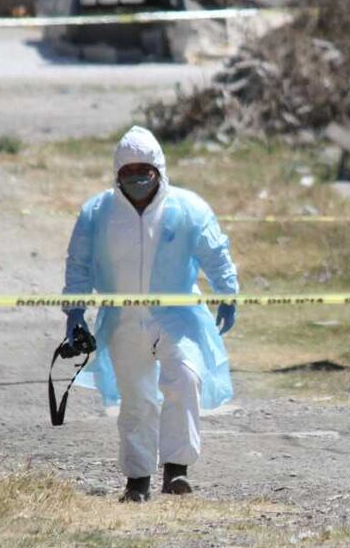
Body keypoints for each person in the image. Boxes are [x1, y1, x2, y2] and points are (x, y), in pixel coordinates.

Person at [62, 126, 238, 503]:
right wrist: (74, 311)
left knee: (185, 378)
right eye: (128, 171)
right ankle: (137, 480)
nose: (137, 178)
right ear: (117, 174)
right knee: (136, 396)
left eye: (145, 169)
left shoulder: (188, 209)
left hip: (177, 316)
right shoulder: (96, 213)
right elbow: (78, 264)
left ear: (159, 169)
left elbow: (216, 252)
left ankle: (177, 470)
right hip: (122, 319)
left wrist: (228, 293)